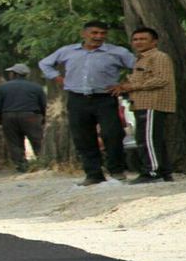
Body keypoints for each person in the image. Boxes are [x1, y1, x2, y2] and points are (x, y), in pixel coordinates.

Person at [38, 21, 136, 185]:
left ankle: (117, 170)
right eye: (94, 33)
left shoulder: (117, 52)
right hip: (77, 98)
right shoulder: (67, 51)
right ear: (84, 33)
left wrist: (125, 85)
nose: (98, 37)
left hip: (105, 98)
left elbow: (139, 67)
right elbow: (44, 63)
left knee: (113, 134)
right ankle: (93, 174)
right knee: (83, 137)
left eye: (102, 33)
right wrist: (57, 77)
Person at [110, 27, 176, 184]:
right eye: (135, 39)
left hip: (153, 103)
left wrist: (132, 87)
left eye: (143, 39)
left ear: (154, 41)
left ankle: (151, 173)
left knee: (147, 139)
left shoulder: (158, 57)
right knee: (153, 139)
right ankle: (165, 171)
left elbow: (161, 79)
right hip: (141, 103)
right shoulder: (140, 59)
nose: (138, 42)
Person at [0, 63, 46, 172]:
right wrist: (43, 117)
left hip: (9, 116)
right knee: (37, 140)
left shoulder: (3, 87)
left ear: (14, 74)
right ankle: (41, 161)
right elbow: (43, 104)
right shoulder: (36, 87)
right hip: (31, 116)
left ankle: (21, 165)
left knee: (14, 142)